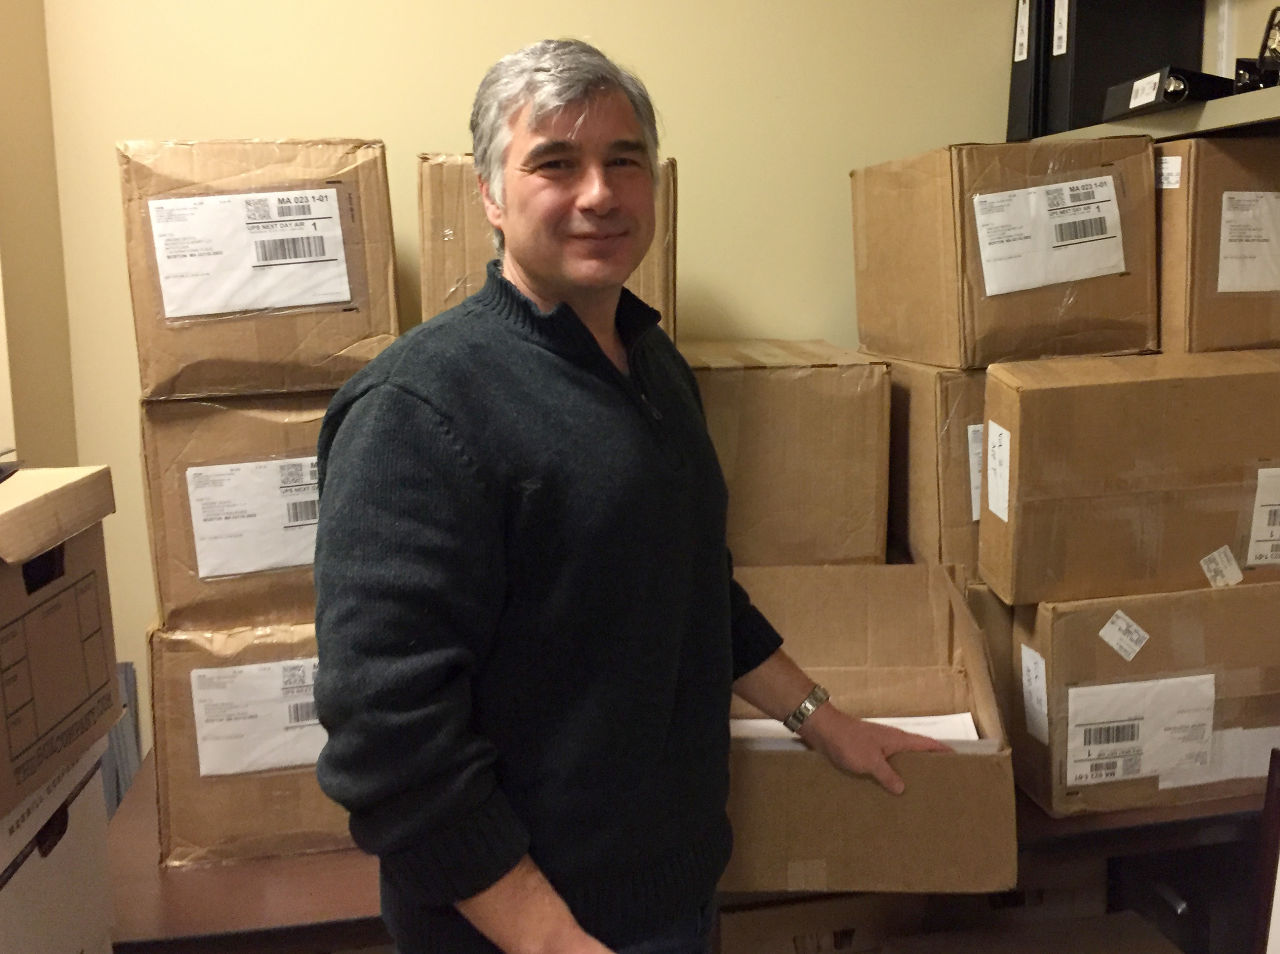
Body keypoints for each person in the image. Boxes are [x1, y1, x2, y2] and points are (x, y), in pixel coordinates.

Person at [313, 37, 947, 954]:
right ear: (490, 195)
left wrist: (823, 720)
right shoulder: (419, 409)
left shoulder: (651, 364)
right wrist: (550, 940)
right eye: (555, 164)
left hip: (674, 895)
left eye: (624, 161)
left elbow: (694, 587)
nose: (600, 193)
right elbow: (389, 741)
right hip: (523, 927)